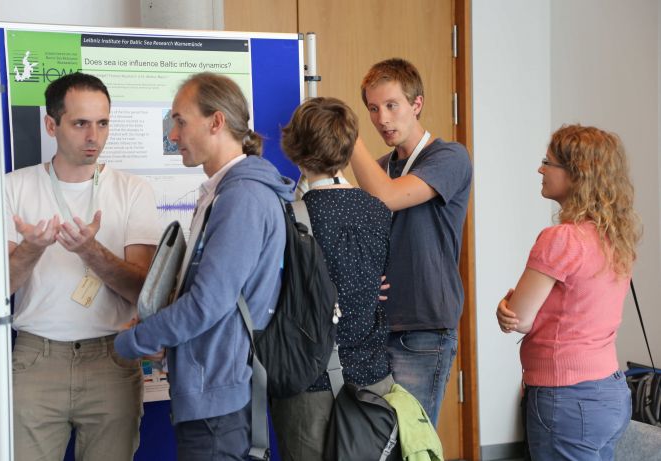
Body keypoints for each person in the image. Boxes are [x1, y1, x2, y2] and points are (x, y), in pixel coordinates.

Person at [114, 73, 293, 460]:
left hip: (220, 399)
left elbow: (208, 303)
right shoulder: (225, 192)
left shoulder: (242, 196)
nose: (173, 135)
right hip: (215, 390)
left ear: (216, 122)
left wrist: (135, 340)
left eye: (180, 121)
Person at [6, 72, 161, 460]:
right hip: (35, 358)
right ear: (51, 125)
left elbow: (143, 289)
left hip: (111, 357)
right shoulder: (13, 187)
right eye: (80, 124)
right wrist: (31, 248)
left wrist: (91, 251)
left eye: (103, 123)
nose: (94, 136)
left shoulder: (133, 190)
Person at [496, 124, 640, 461]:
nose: (540, 169)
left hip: (567, 398)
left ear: (578, 175)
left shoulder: (561, 238)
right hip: (610, 392)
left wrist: (505, 307)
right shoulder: (616, 240)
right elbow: (574, 310)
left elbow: (519, 319)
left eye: (548, 163)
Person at [349, 58, 473, 425]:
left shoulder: (449, 156)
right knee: (381, 443)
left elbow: (388, 196)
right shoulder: (380, 166)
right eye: (372, 108)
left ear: (416, 104)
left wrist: (348, 139)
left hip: (423, 328)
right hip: (377, 326)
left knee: (411, 444)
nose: (381, 119)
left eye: (391, 105)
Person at [270, 97, 392, 460]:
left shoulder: (288, 217)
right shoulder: (378, 210)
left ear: (294, 148)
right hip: (373, 379)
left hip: (309, 382)